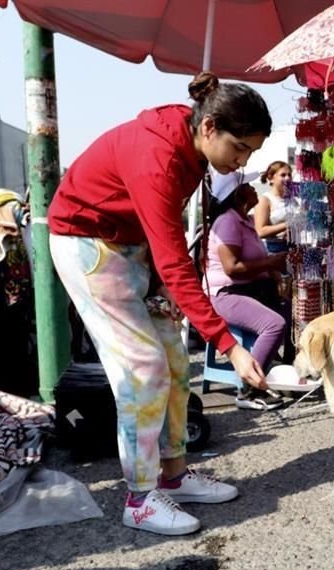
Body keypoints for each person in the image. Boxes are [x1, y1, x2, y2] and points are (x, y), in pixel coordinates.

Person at [48, 72, 272, 536]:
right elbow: (174, 264)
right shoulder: (158, 158)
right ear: (209, 127)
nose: (243, 160)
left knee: (173, 356)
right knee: (143, 367)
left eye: (251, 151)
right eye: (241, 148)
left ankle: (173, 474)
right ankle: (139, 498)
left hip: (132, 247)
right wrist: (230, 345)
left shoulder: (191, 143)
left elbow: (166, 251)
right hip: (87, 243)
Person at [204, 178, 291, 410]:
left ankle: (271, 366)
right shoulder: (228, 222)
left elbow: (257, 258)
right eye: (248, 186)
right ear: (237, 194)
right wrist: (269, 263)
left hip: (249, 289)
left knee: (289, 308)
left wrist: (273, 273)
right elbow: (231, 267)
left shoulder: (246, 222)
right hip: (225, 294)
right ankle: (247, 389)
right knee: (274, 324)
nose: (254, 189)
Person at [252, 160, 292, 254]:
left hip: (295, 249)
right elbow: (260, 231)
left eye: (289, 175)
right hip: (275, 250)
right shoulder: (265, 200)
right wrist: (289, 224)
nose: (287, 178)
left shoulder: (294, 199)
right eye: (283, 175)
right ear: (271, 178)